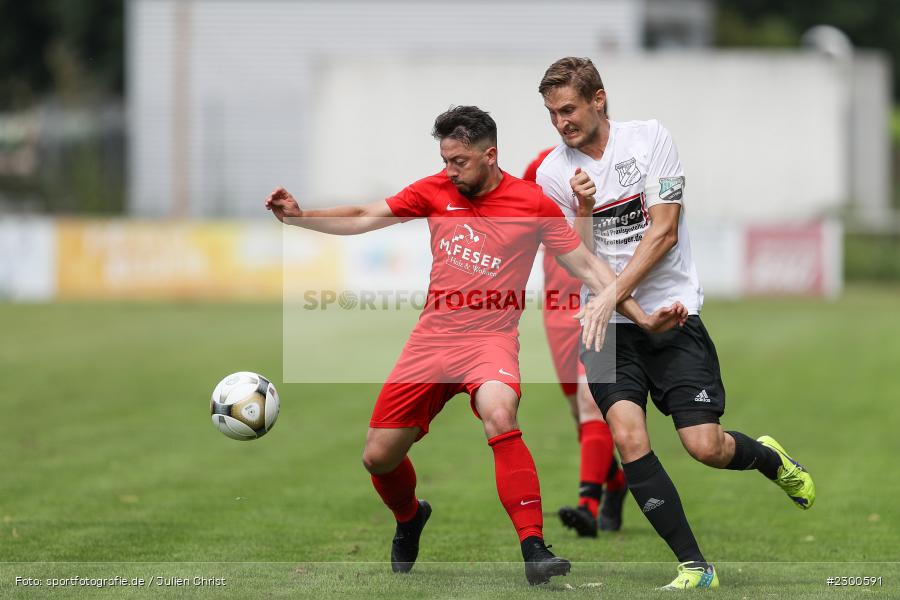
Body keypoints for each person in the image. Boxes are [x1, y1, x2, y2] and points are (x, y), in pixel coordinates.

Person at [265, 105, 687, 585]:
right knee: (378, 457)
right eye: (446, 160)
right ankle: (410, 517)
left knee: (500, 413)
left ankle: (534, 548)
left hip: (491, 341)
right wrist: (300, 217)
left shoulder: (530, 203)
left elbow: (591, 268)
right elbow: (364, 215)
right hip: (431, 342)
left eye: (459, 161)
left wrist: (644, 319)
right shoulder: (434, 190)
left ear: (490, 155)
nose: (450, 170)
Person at [534, 57, 816, 590]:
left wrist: (621, 296)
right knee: (625, 431)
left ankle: (769, 458)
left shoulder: (650, 139)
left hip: (675, 313)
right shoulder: (553, 173)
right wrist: (586, 214)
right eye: (551, 113)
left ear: (598, 98)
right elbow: (581, 259)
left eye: (568, 109)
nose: (561, 123)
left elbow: (664, 231)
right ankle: (695, 565)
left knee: (704, 447)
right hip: (611, 323)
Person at [523, 149, 628, 538]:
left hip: (597, 302)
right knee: (580, 416)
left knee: (590, 402)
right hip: (556, 308)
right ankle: (616, 483)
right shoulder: (541, 167)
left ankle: (588, 503)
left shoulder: (619, 164)